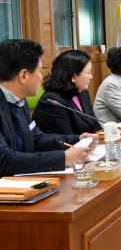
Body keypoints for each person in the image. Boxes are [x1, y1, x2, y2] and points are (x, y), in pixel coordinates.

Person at [0, 40, 96, 177]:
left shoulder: (19, 100)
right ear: (23, 75)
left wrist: (77, 139)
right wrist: (64, 158)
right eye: (40, 72)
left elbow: (37, 138)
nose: (41, 77)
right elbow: (4, 160)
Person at [33, 50, 102, 135]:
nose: (91, 77)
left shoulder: (82, 93)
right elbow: (66, 138)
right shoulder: (52, 101)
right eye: (88, 73)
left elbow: (94, 124)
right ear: (73, 76)